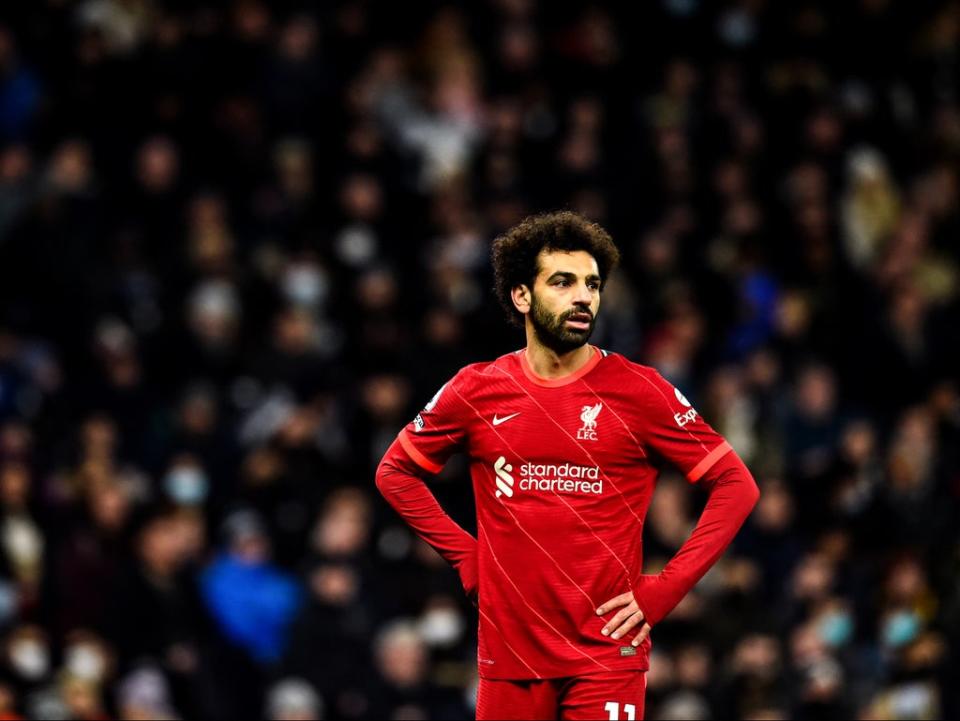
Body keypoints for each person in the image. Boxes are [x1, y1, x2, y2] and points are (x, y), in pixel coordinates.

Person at [375, 211, 759, 720]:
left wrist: (664, 590)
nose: (584, 296)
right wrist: (469, 559)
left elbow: (737, 484)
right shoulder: (476, 388)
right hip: (509, 658)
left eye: (592, 284)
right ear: (521, 296)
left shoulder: (639, 389)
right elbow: (395, 473)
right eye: (563, 282)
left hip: (606, 656)